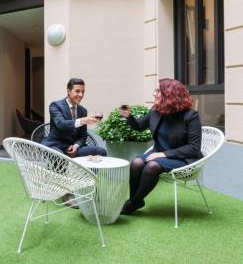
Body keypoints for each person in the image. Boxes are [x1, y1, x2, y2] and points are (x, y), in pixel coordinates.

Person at [120, 78, 202, 215]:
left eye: (158, 91)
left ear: (169, 94)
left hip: (182, 158)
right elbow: (140, 126)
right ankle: (135, 201)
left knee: (153, 165)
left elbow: (194, 148)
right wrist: (129, 117)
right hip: (158, 154)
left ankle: (133, 203)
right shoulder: (156, 111)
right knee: (136, 163)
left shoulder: (191, 116)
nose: (154, 94)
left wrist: (164, 154)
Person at [42, 78, 107, 158]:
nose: (81, 95)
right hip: (55, 145)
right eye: (77, 91)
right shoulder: (55, 105)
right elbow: (61, 124)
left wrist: (76, 146)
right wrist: (83, 120)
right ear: (69, 91)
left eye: (83, 92)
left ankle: (86, 171)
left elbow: (83, 135)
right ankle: (56, 170)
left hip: (72, 147)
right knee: (60, 157)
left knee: (100, 151)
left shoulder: (82, 111)